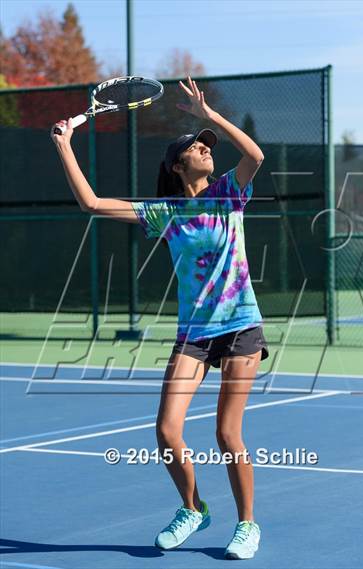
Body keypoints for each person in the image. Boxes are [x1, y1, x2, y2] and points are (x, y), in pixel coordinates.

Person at [51, 75, 269, 560]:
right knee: (167, 430)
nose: (206, 149)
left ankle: (247, 525)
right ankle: (193, 508)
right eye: (197, 147)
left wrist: (208, 117)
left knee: (226, 433)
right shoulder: (165, 212)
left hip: (240, 327)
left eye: (207, 145)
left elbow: (254, 156)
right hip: (194, 333)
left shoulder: (229, 193)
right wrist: (66, 146)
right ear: (177, 164)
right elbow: (92, 204)